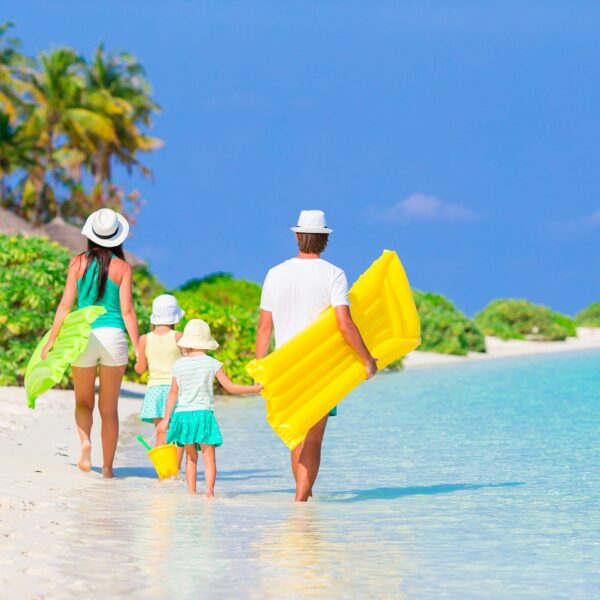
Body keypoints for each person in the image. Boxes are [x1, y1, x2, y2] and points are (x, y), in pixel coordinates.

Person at [256, 210, 378, 502]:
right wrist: (367, 360)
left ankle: (301, 499)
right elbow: (344, 323)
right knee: (314, 438)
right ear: (325, 239)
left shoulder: (275, 273)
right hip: (321, 368)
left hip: (286, 365)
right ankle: (302, 498)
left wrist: (261, 369)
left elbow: (264, 328)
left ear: (297, 236)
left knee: (296, 435)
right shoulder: (333, 274)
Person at [41, 208, 139, 478]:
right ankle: (107, 470)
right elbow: (128, 311)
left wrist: (52, 340)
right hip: (113, 336)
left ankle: (85, 442)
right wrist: (140, 350)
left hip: (83, 336)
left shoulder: (77, 264)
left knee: (83, 403)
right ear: (117, 238)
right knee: (109, 409)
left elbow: (64, 306)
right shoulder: (123, 268)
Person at [158, 319, 262, 497]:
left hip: (183, 416)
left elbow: (173, 393)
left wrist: (166, 419)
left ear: (187, 343)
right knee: (209, 458)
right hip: (203, 414)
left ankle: (191, 493)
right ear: (206, 343)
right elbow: (230, 388)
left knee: (191, 458)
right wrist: (254, 389)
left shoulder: (178, 365)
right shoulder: (212, 363)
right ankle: (209, 492)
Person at [135, 294, 184, 448]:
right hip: (175, 390)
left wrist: (138, 361)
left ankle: (162, 471)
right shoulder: (178, 337)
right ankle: (175, 470)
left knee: (160, 432)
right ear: (175, 317)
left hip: (155, 390)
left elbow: (141, 369)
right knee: (177, 434)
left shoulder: (144, 339)